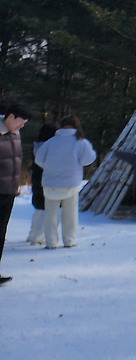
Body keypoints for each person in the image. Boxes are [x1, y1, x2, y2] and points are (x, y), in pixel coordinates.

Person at [34, 115, 97, 250]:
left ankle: (51, 242)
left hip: (50, 183)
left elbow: (39, 159)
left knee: (51, 214)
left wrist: (50, 167)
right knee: (70, 214)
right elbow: (89, 158)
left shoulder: (51, 142)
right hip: (71, 182)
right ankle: (69, 240)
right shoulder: (81, 142)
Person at [0, 103, 31, 284]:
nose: (22, 125)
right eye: (21, 121)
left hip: (8, 191)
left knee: (1, 233)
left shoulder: (15, 134)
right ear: (10, 117)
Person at [25, 122, 57, 244]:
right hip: (46, 181)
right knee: (45, 209)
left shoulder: (37, 146)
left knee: (39, 209)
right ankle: (38, 237)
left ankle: (33, 234)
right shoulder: (49, 148)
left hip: (36, 180)